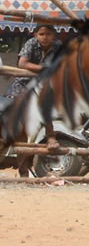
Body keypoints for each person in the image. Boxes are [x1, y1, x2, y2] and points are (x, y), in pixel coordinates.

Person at [5, 24, 60, 177]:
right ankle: (23, 172)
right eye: (41, 34)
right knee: (22, 131)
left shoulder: (58, 46)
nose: (45, 37)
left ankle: (50, 136)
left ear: (53, 35)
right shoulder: (31, 44)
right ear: (35, 34)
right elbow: (22, 64)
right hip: (23, 86)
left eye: (48, 34)